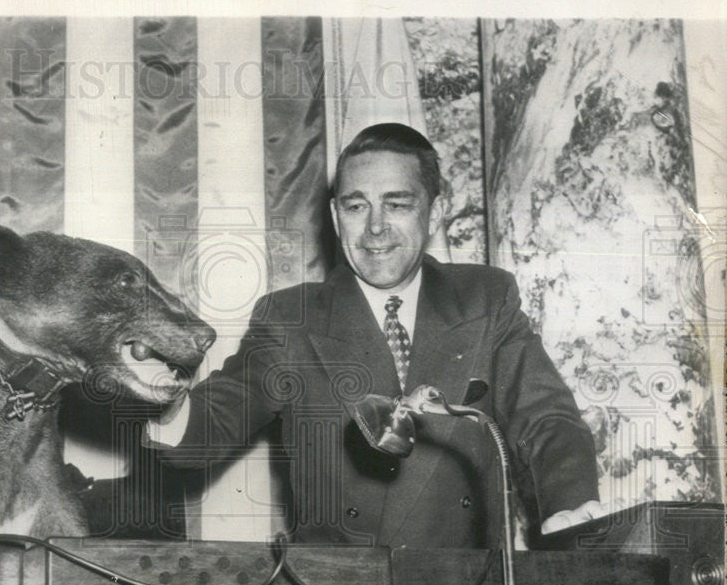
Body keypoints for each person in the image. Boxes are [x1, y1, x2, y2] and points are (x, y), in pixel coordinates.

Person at [148, 123, 604, 548]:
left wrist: (570, 505)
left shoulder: (486, 299)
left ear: (437, 211)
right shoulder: (291, 317)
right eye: (356, 206)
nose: (375, 228)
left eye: (398, 204)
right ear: (335, 214)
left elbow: (546, 419)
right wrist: (160, 393)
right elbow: (216, 421)